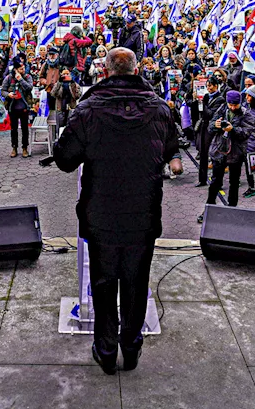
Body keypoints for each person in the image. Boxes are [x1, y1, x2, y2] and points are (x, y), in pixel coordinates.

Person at [50, 47, 180, 375]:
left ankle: (107, 351)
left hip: (102, 217)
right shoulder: (159, 108)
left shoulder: (88, 109)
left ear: (106, 72)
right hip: (142, 216)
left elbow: (66, 160)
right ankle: (131, 348)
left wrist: (60, 141)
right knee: (136, 283)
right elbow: (170, 147)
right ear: (136, 71)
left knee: (105, 283)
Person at [205, 90, 250, 212]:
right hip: (219, 150)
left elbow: (246, 132)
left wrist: (233, 129)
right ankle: (209, 208)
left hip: (236, 152)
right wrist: (216, 124)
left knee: (234, 182)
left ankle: (232, 209)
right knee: (215, 181)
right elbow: (210, 127)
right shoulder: (222, 108)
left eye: (235, 105)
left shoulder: (245, 113)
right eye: (230, 104)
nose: (232, 107)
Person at [1, 63, 34, 157]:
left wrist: (21, 79)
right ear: (15, 70)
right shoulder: (8, 78)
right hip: (12, 107)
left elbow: (29, 88)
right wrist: (8, 95)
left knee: (25, 129)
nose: (23, 70)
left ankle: (25, 148)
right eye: (21, 69)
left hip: (24, 107)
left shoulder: (27, 77)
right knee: (13, 129)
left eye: (23, 68)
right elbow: (3, 90)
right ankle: (14, 147)